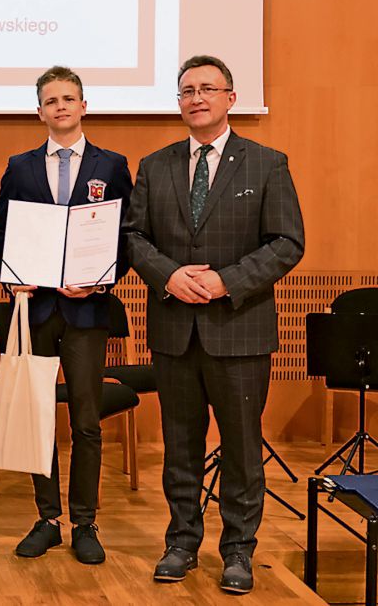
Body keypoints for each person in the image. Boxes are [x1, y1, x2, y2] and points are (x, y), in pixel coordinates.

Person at [124, 55, 304, 594]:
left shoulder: (267, 164)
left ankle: (238, 551)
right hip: (175, 329)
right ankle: (181, 542)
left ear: (231, 98)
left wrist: (227, 281)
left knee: (242, 448)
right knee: (179, 445)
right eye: (187, 90)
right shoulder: (154, 166)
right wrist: (169, 275)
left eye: (207, 88)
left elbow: (287, 242)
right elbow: (133, 237)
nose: (196, 97)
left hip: (239, 328)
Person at [0, 66, 133, 565]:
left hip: (87, 310)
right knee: (38, 418)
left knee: (86, 421)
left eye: (69, 98)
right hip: (37, 310)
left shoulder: (112, 165)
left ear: (83, 106)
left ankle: (85, 522)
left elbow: (127, 235)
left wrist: (102, 280)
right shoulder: (20, 167)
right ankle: (48, 519)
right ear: (40, 112)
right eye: (51, 101)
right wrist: (11, 275)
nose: (61, 106)